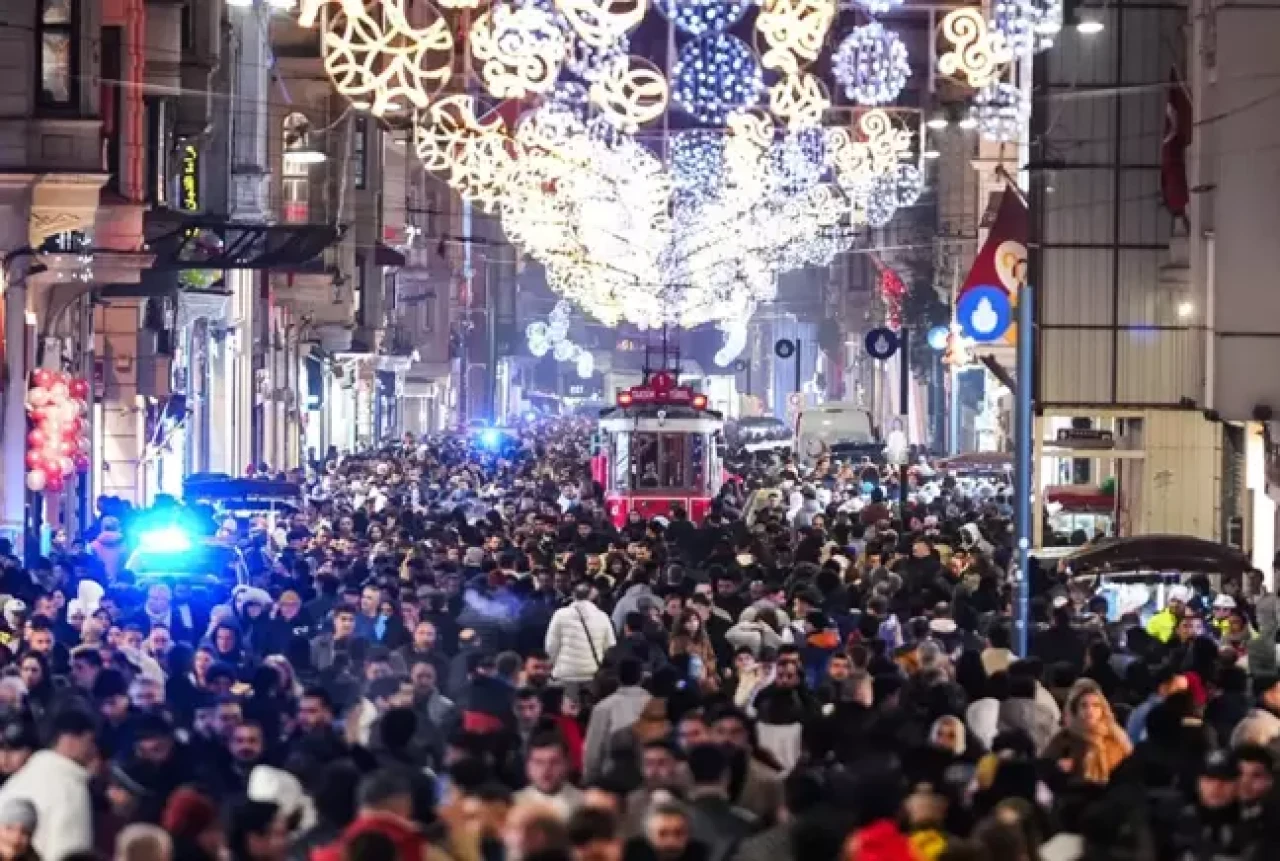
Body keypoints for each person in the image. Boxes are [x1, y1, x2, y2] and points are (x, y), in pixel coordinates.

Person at [0, 708, 97, 861]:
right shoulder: (68, 787)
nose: (92, 750)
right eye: (89, 741)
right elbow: (70, 851)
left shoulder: (21, 778)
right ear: (69, 740)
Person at [548, 584, 617, 689]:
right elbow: (610, 646)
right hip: (592, 674)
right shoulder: (603, 617)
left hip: (565, 674)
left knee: (567, 704)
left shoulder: (560, 614)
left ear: (574, 596)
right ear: (594, 597)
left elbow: (550, 646)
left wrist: (554, 665)